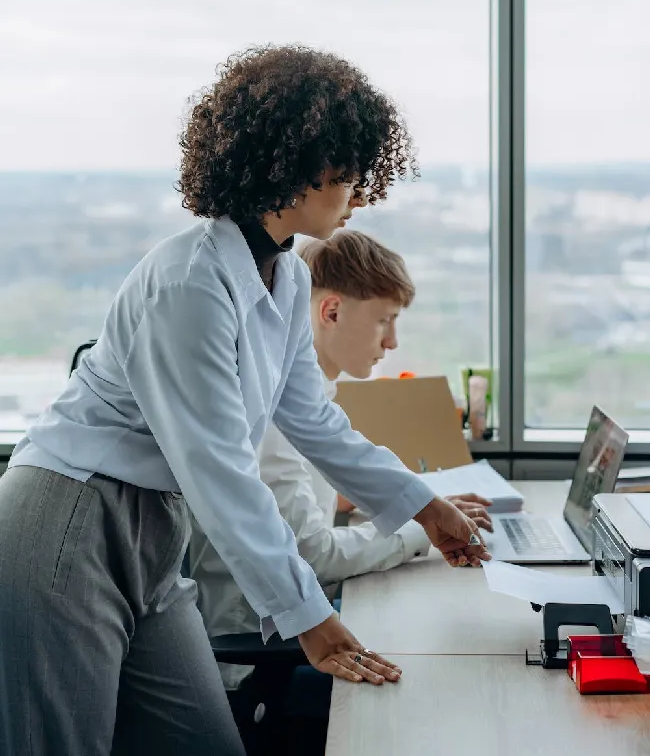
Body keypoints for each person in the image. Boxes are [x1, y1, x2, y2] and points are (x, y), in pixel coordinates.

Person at [0, 45, 489, 756]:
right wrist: (309, 618)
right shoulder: (190, 282)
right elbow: (222, 472)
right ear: (294, 168)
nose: (358, 192)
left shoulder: (286, 280)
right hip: (71, 524)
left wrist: (422, 503)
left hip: (154, 534)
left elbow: (315, 421)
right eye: (346, 172)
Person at [190, 228, 493, 746]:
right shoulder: (279, 416)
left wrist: (412, 503)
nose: (392, 343)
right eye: (384, 321)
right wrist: (420, 532)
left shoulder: (308, 398)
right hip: (260, 659)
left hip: (290, 631)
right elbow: (316, 554)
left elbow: (304, 491)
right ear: (330, 312)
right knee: (439, 691)